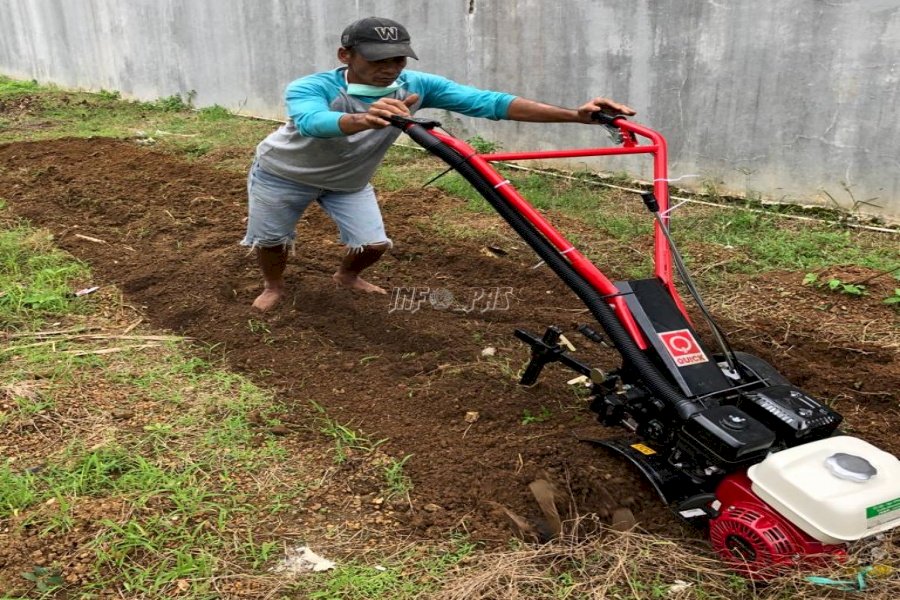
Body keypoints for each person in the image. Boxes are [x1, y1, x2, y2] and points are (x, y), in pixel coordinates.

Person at [242, 16, 635, 311]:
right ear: (345, 55)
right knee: (273, 239)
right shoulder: (311, 87)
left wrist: (575, 116)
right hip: (284, 174)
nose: (391, 68)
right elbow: (312, 122)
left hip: (348, 180)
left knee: (374, 243)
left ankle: (347, 275)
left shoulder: (415, 86)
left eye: (398, 59)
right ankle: (273, 285)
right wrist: (363, 118)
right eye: (379, 59)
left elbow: (490, 102)